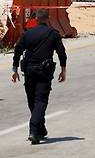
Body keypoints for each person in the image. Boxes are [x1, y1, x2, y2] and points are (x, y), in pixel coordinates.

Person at [11, 8, 67, 145]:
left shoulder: (28, 34)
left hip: (29, 72)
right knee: (40, 101)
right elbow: (61, 52)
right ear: (48, 19)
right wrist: (63, 69)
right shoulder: (53, 34)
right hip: (43, 72)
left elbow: (17, 50)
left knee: (32, 101)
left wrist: (14, 69)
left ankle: (40, 129)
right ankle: (34, 132)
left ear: (36, 19)